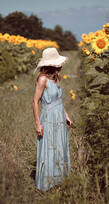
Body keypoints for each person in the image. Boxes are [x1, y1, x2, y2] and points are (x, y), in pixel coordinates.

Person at [32, 47, 72, 192]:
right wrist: (38, 123)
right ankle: (47, 183)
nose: (60, 66)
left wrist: (66, 115)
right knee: (49, 147)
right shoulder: (42, 79)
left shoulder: (55, 77)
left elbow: (59, 100)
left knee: (59, 146)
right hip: (48, 118)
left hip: (59, 116)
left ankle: (60, 180)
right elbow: (35, 101)